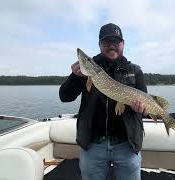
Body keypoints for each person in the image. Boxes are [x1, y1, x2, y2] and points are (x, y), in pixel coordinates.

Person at [59, 23, 147, 180]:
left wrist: (141, 108)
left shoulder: (135, 71)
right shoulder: (87, 70)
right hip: (93, 144)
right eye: (107, 42)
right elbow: (65, 97)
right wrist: (75, 77)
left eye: (116, 42)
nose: (112, 46)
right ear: (99, 44)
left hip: (127, 144)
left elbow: (145, 105)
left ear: (123, 44)